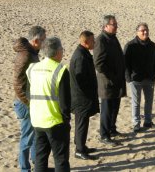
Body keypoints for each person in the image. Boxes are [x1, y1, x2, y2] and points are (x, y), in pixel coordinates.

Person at [27, 37, 71, 172]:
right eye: (62, 50)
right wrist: (66, 119)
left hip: (37, 119)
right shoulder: (60, 70)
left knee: (41, 157)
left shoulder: (32, 68)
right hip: (55, 120)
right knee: (60, 158)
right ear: (57, 52)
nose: (62, 52)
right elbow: (65, 101)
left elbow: (29, 92)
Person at [13, 26, 46, 172]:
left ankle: (37, 165)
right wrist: (29, 103)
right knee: (26, 138)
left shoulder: (32, 52)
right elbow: (17, 84)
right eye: (43, 40)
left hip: (31, 100)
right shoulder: (26, 55)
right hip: (25, 103)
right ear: (36, 40)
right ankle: (25, 169)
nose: (45, 43)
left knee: (35, 135)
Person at [94, 15, 126, 146]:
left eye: (116, 24)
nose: (116, 26)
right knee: (107, 109)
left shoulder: (113, 38)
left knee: (115, 107)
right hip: (107, 82)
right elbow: (99, 63)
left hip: (117, 80)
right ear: (106, 26)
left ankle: (112, 129)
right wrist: (112, 76)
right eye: (114, 24)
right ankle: (104, 134)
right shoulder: (101, 40)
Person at [69, 31, 100, 160]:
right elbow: (80, 79)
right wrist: (89, 93)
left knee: (82, 122)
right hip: (81, 98)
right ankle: (79, 150)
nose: (95, 42)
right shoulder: (80, 56)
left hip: (82, 97)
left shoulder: (83, 53)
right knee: (81, 123)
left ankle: (81, 145)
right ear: (85, 42)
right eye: (93, 40)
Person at [124, 23, 155, 132]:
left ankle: (148, 121)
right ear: (137, 32)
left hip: (149, 78)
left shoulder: (152, 45)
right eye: (142, 30)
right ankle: (136, 123)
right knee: (136, 102)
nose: (145, 32)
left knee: (149, 101)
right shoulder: (130, 45)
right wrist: (129, 78)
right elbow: (125, 63)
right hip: (135, 79)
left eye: (146, 30)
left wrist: (154, 74)